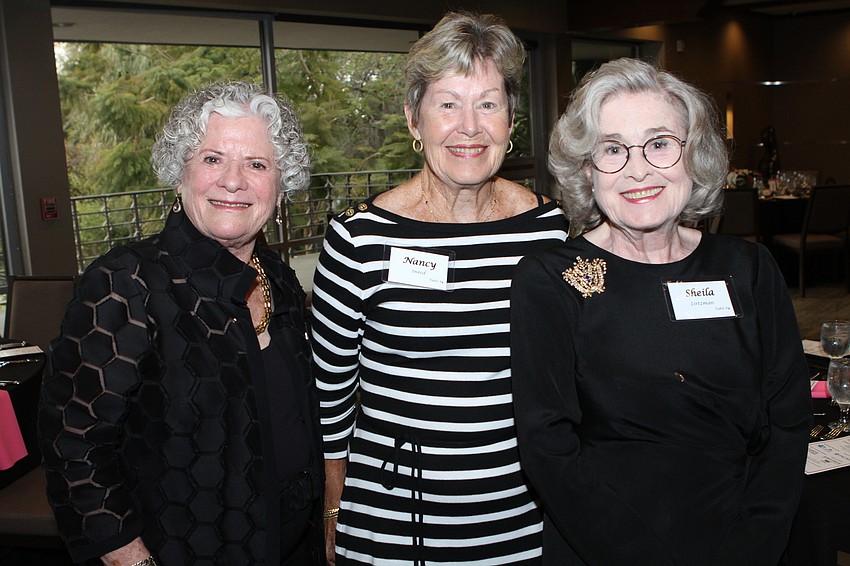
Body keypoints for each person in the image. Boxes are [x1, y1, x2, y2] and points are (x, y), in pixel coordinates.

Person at [511, 57, 812, 565]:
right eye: (612, 149)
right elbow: (547, 445)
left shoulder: (749, 268)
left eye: (659, 143)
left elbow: (787, 422)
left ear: (694, 156)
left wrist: (751, 548)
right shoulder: (551, 279)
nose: (638, 168)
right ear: (588, 169)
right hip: (602, 548)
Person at [310, 11, 569, 565]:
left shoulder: (552, 231)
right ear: (413, 119)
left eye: (488, 104)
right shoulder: (359, 238)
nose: (469, 126)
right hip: (397, 522)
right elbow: (331, 400)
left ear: (510, 120)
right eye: (447, 103)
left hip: (523, 517)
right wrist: (333, 509)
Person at [39, 81, 324, 565]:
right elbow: (75, 447)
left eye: (257, 164)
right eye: (212, 159)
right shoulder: (127, 283)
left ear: (281, 186)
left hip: (294, 541)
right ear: (179, 175)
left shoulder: (277, 275)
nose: (232, 181)